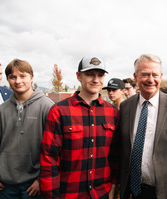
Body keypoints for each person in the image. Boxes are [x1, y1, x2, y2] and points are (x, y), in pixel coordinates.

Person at [40, 56, 120, 199]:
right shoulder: (59, 111)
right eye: (90, 74)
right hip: (69, 193)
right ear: (78, 76)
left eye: (100, 75)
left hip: (102, 193)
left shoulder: (113, 113)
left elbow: (115, 155)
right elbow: (49, 158)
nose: (96, 79)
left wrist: (113, 185)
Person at [119, 54, 167, 199]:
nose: (150, 79)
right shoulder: (125, 107)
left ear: (160, 76)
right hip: (133, 191)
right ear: (135, 77)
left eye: (155, 74)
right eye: (145, 74)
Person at [0, 58, 54, 198]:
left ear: (32, 77)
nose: (18, 81)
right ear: (7, 79)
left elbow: (53, 148)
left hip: (33, 185)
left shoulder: (47, 107)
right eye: (12, 77)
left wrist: (42, 179)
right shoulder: (1, 110)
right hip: (5, 184)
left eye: (22, 76)